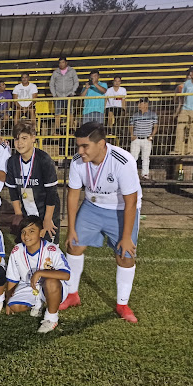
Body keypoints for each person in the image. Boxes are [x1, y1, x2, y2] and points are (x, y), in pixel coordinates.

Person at [63, 122, 142, 323]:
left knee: (125, 256)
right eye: (78, 146)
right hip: (92, 207)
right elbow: (72, 196)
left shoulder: (123, 161)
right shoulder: (77, 161)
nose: (80, 151)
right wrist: (71, 228)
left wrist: (125, 237)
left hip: (121, 210)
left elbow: (131, 201)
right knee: (74, 246)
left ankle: (122, 305)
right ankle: (72, 295)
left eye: (85, 146)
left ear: (101, 144)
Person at [0, 216, 71, 334]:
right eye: (23, 232)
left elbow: (66, 275)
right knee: (15, 307)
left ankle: (51, 318)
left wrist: (40, 272)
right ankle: (38, 302)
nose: (26, 236)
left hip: (52, 287)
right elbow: (12, 277)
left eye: (31, 231)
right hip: (28, 286)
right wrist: (8, 300)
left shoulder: (51, 250)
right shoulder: (17, 250)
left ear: (41, 233)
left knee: (50, 281)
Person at [5, 121, 61, 243]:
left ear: (33, 138)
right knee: (27, 245)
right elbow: (13, 190)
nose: (20, 143)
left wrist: (47, 218)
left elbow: (51, 192)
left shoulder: (44, 159)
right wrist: (18, 214)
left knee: (48, 248)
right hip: (27, 210)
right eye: (17, 139)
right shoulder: (12, 162)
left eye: (24, 138)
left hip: (47, 210)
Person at [129, 98, 159, 180]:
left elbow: (155, 127)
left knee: (145, 157)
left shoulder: (152, 115)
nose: (138, 105)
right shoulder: (135, 115)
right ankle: (132, 174)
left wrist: (151, 136)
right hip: (136, 138)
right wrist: (132, 135)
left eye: (140, 103)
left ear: (146, 104)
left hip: (146, 139)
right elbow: (131, 126)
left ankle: (145, 174)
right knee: (133, 157)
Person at [49, 57, 79, 134]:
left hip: (69, 95)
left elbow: (76, 82)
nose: (61, 64)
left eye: (62, 62)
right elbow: (51, 84)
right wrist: (54, 94)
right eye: (60, 63)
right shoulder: (55, 72)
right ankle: (57, 128)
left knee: (70, 112)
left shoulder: (72, 71)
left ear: (66, 63)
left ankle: (71, 128)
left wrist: (73, 92)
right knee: (57, 112)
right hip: (58, 95)